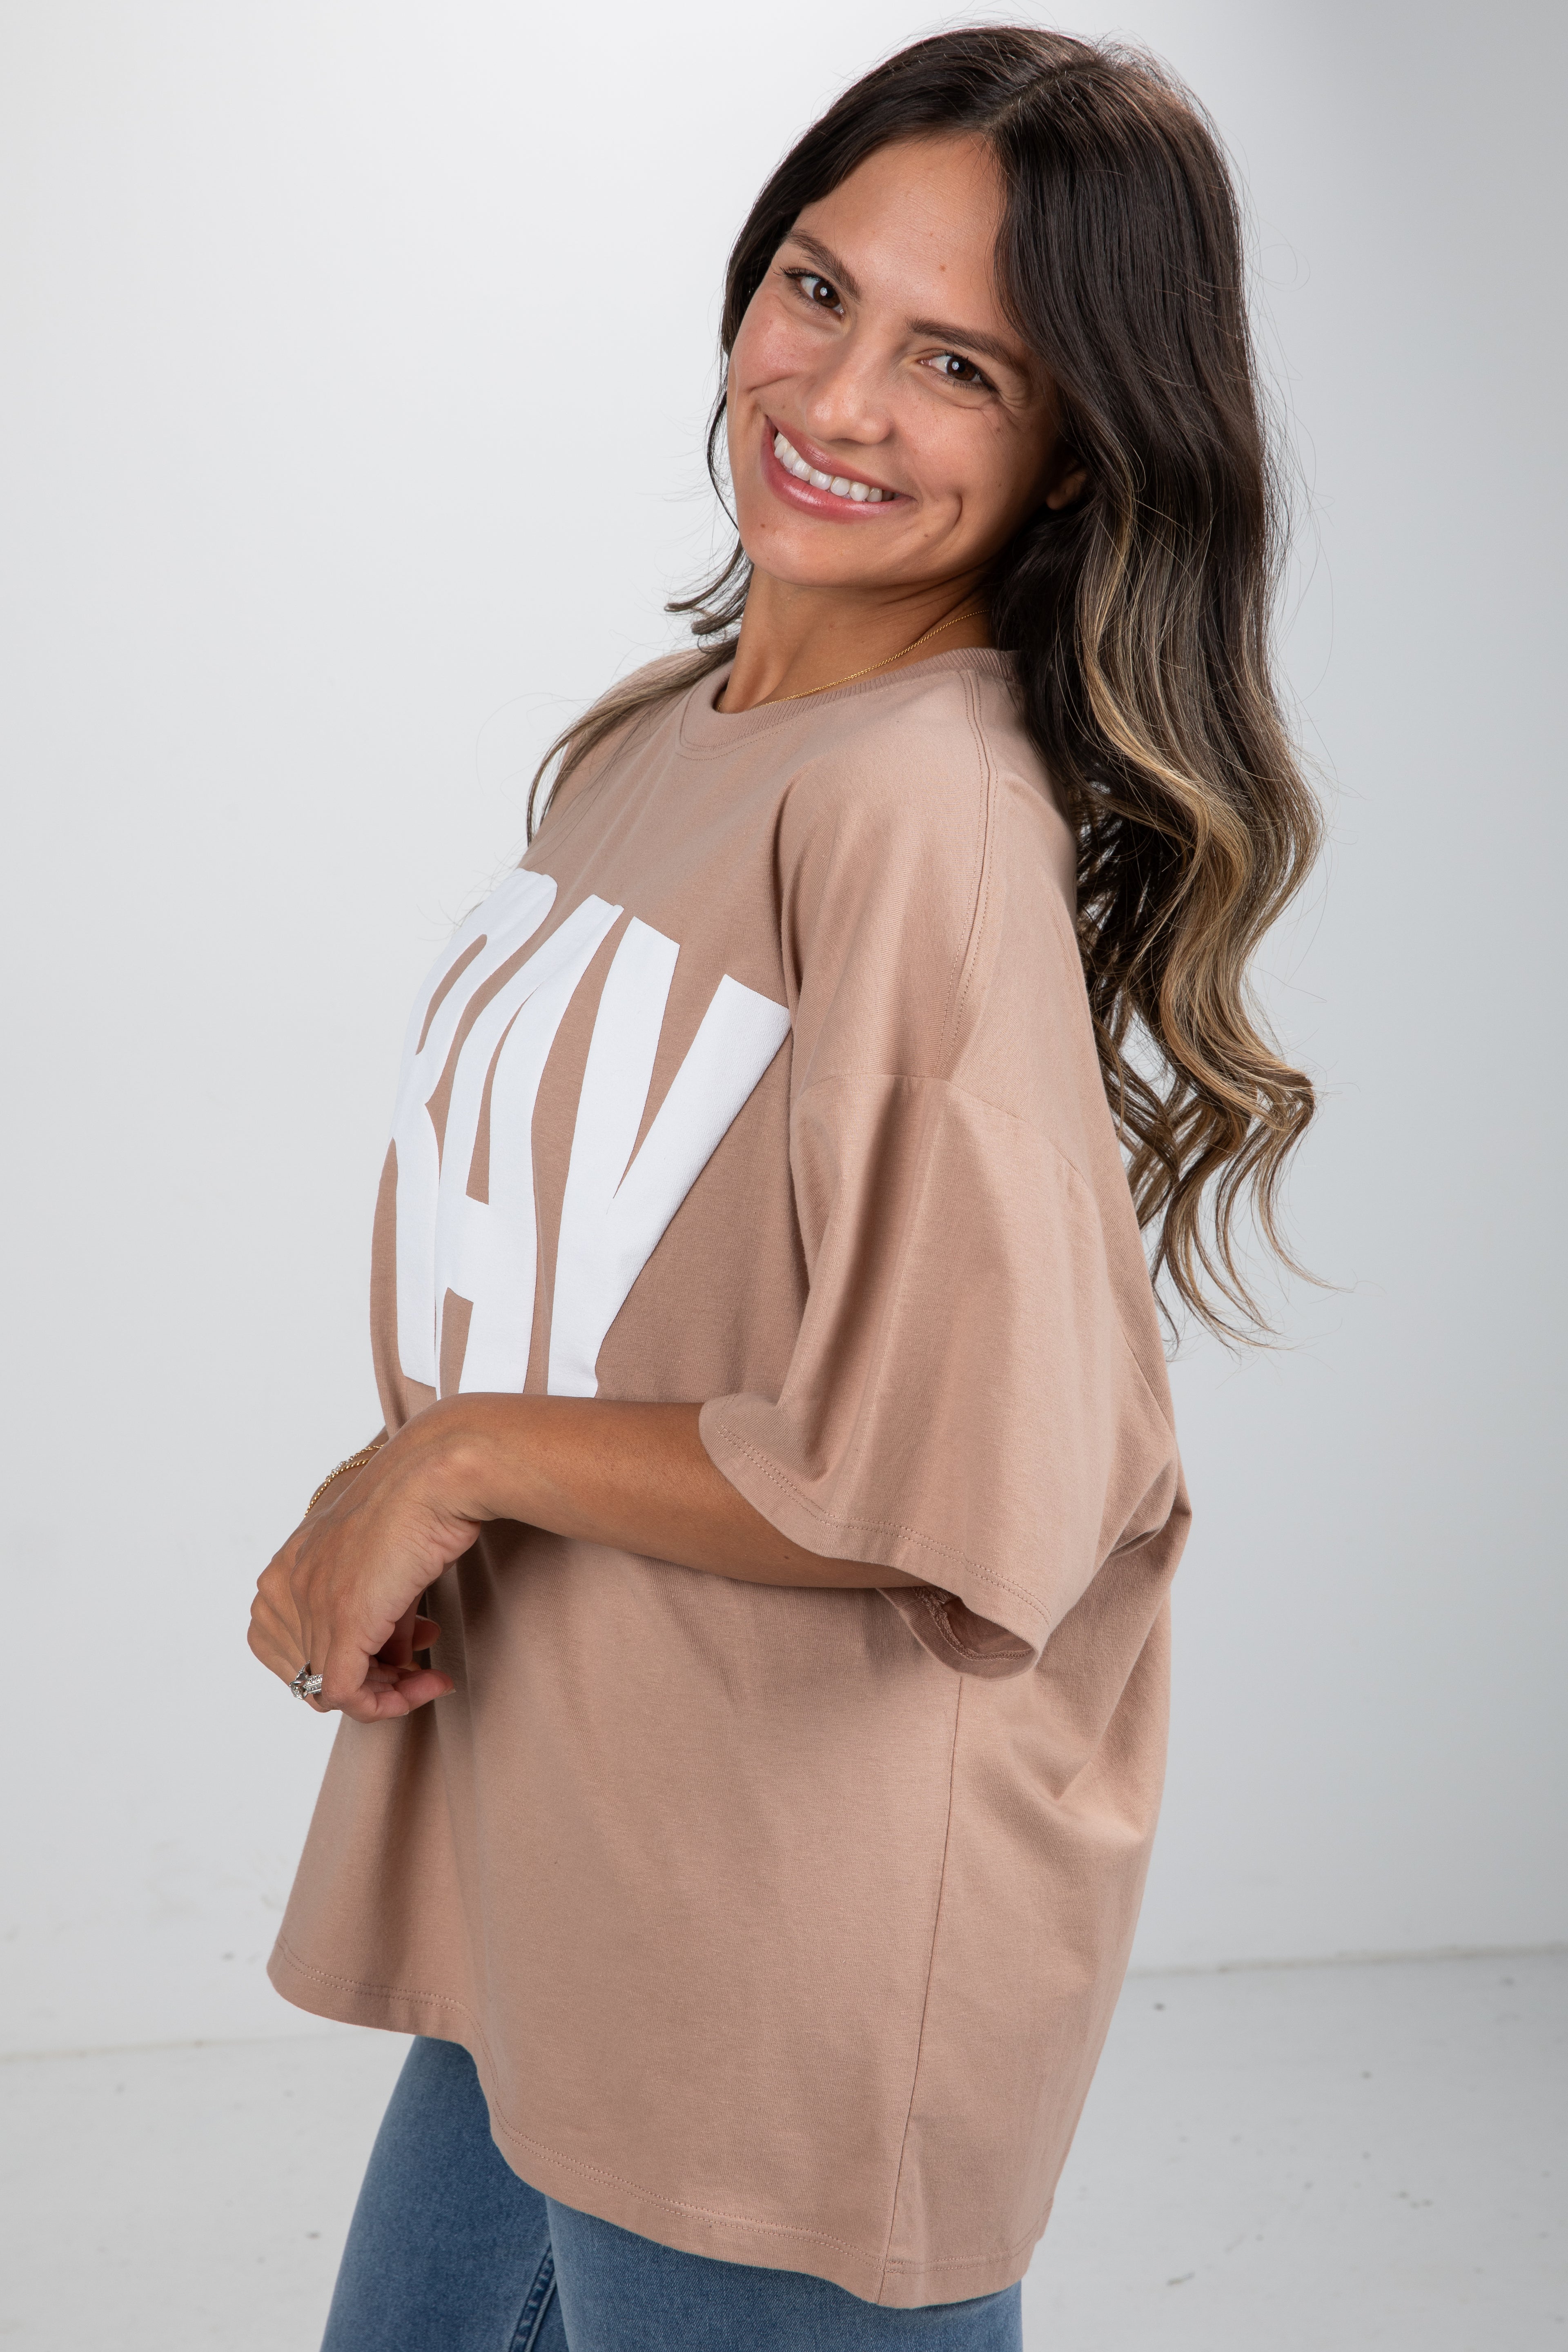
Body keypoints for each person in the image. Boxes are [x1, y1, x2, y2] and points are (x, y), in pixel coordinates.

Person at [249, 26, 1319, 2350]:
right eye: (818, 293)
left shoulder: (923, 813)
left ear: (1070, 458)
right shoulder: (668, 740)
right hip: (571, 1857)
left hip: (786, 1931)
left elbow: (965, 1476)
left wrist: (442, 1464)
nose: (836, 402)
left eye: (958, 363)